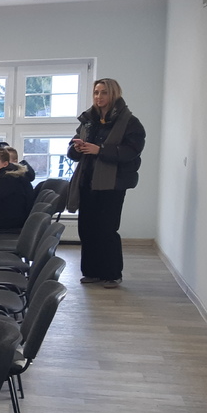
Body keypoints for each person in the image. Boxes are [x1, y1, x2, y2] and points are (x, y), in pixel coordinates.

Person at [67, 78, 146, 288]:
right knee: (86, 229)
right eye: (96, 92)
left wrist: (100, 150)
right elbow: (72, 149)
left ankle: (111, 274)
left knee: (107, 230)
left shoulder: (130, 122)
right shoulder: (88, 120)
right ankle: (91, 272)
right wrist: (76, 148)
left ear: (113, 94)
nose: (98, 97)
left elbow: (131, 152)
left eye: (103, 93)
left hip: (113, 184)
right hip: (87, 181)